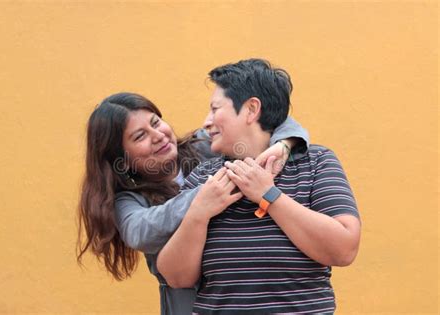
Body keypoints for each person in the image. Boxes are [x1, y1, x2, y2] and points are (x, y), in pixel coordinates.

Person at [156, 58, 361, 314]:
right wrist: (198, 213)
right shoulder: (205, 177)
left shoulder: (316, 162)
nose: (206, 122)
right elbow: (176, 277)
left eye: (215, 109)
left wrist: (268, 195)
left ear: (252, 109)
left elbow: (344, 249)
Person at [76, 92, 310, 314]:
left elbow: (274, 119)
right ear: (121, 159)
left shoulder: (204, 146)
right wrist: (205, 196)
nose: (157, 135)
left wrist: (283, 146)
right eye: (140, 136)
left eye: (156, 123)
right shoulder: (128, 200)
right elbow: (140, 232)